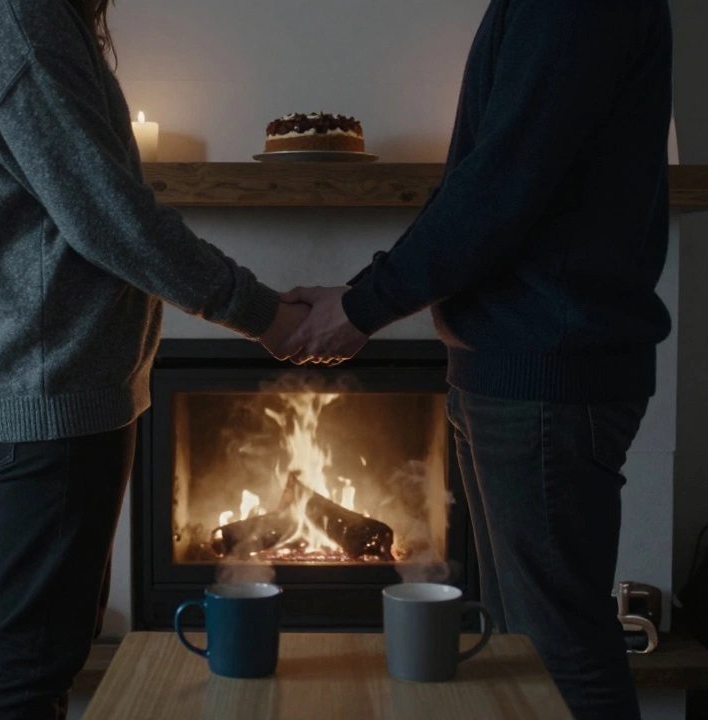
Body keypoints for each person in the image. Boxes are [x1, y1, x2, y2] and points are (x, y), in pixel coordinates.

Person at [284, 1, 674, 718]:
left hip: (545, 376)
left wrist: (365, 306)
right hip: (512, 369)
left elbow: (500, 186)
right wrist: (359, 293)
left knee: (556, 657)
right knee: (521, 652)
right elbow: (479, 181)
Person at [0, 0, 305, 717]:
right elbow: (112, 216)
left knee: (47, 651)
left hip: (61, 382)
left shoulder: (26, 18)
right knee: (31, 666)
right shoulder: (18, 20)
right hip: (53, 386)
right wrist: (259, 313)